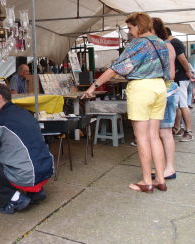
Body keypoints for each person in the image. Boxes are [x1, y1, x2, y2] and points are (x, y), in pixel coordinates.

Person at [82, 12, 169, 193]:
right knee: (155, 136)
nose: (129, 32)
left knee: (142, 137)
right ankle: (160, 179)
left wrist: (93, 86)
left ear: (139, 25)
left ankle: (146, 181)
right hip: (160, 88)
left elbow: (116, 68)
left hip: (141, 89)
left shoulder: (137, 44)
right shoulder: (161, 43)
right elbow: (167, 70)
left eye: (130, 28)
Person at [0, 83, 54, 214]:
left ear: (0, 98)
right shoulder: (26, 113)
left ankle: (14, 199)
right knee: (8, 160)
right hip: (45, 169)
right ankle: (36, 193)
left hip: (25, 176)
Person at [153, 18, 177, 180]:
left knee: (165, 132)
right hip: (161, 92)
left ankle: (170, 168)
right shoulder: (160, 45)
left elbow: (171, 74)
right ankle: (164, 167)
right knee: (160, 132)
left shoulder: (166, 46)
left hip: (166, 92)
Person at [166, 27, 194, 141]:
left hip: (182, 78)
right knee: (177, 105)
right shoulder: (172, 43)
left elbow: (183, 60)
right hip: (177, 79)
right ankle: (177, 128)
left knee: (183, 105)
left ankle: (189, 132)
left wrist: (188, 71)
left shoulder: (175, 42)